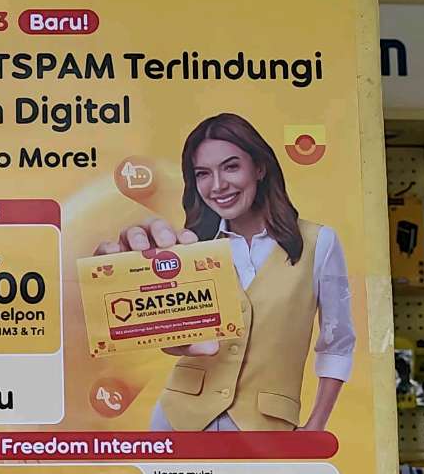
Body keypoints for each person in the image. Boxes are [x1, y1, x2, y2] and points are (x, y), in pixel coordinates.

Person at [92, 112, 354, 433]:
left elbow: (337, 343)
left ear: (259, 168)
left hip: (266, 428)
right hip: (178, 419)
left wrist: (316, 426)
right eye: (203, 173)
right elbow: (172, 339)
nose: (217, 186)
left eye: (231, 167)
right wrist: (118, 279)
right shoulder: (189, 247)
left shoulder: (318, 243)